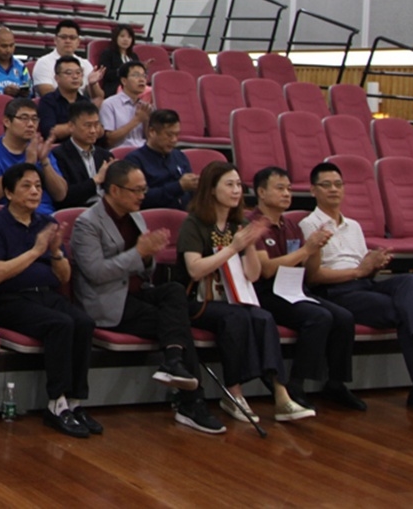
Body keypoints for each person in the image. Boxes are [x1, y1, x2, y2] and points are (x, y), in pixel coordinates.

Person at [301, 162, 413, 418]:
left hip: (364, 284)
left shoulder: (354, 226)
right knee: (403, 311)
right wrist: (360, 271)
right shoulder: (309, 225)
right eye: (326, 185)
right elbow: (313, 277)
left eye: (338, 184)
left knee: (410, 282)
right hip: (336, 291)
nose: (334, 189)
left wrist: (374, 265)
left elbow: (364, 269)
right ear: (313, 190)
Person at [70, 160, 225, 434]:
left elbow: (145, 269)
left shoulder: (136, 217)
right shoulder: (87, 223)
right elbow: (96, 273)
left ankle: (174, 362)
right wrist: (139, 253)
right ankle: (192, 401)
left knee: (174, 291)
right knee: (177, 325)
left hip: (138, 292)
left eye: (145, 189)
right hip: (108, 302)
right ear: (115, 190)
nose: (143, 195)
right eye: (137, 190)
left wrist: (149, 256)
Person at [176, 161, 314, 424]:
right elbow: (194, 270)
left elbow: (252, 275)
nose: (236, 190)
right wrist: (233, 248)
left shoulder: (238, 223)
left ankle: (281, 395)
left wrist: (249, 245)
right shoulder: (194, 223)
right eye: (229, 184)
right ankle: (234, 393)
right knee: (236, 317)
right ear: (211, 189)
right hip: (199, 301)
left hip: (234, 297)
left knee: (263, 317)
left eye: (239, 184)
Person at [0, 163, 100, 438]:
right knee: (60, 324)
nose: (35, 191)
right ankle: (56, 404)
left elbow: (64, 277)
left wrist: (55, 252)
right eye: (27, 186)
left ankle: (75, 402)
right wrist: (36, 251)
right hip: (10, 300)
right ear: (9, 193)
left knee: (84, 322)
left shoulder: (47, 224)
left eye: (38, 186)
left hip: (47, 294)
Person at [250, 166, 364, 411]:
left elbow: (307, 266)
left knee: (344, 317)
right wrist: (307, 249)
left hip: (294, 288)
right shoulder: (253, 225)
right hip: (266, 292)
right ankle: (296, 384)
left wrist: (317, 248)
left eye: (289, 188)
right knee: (318, 317)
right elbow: (266, 270)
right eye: (280, 188)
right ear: (261, 192)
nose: (286, 194)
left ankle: (336, 383)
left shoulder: (290, 225)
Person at [0, 98, 67, 216]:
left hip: (46, 215)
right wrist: (28, 164)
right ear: (7, 121)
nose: (31, 124)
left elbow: (60, 194)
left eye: (34, 119)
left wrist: (44, 160)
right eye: (24, 118)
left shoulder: (39, 148)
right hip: (12, 217)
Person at [125, 109, 196, 210]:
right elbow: (141, 197)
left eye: (177, 135)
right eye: (169, 135)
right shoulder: (134, 160)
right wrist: (178, 187)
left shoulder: (180, 156)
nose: (174, 140)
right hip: (154, 215)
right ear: (152, 132)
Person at [53, 101, 114, 209]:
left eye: (96, 125)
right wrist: (96, 180)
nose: (93, 131)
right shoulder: (59, 155)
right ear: (71, 126)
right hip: (78, 211)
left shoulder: (105, 155)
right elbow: (66, 196)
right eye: (88, 125)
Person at [31, 20, 104, 98]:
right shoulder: (43, 63)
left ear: (78, 42)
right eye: (63, 37)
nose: (68, 41)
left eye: (72, 38)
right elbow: (47, 93)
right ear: (55, 40)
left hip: (81, 104)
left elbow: (99, 98)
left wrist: (93, 85)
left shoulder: (85, 64)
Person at [37, 55, 101, 142]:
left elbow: (99, 130)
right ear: (57, 78)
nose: (75, 77)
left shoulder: (85, 101)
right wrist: (82, 126)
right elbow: (50, 132)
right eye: (68, 73)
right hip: (60, 147)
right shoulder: (48, 101)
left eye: (78, 73)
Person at [100, 61, 151, 149]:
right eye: (136, 75)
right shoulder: (109, 104)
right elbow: (109, 140)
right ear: (124, 81)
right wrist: (137, 120)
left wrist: (146, 121)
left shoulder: (145, 107)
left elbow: (150, 139)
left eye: (144, 76)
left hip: (143, 151)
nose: (142, 80)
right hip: (121, 152)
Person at [96, 24, 139, 96]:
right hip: (114, 87)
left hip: (132, 86)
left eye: (129, 37)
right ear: (115, 37)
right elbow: (106, 74)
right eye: (122, 36)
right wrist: (124, 71)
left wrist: (142, 69)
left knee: (149, 90)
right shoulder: (108, 53)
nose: (126, 39)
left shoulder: (133, 56)